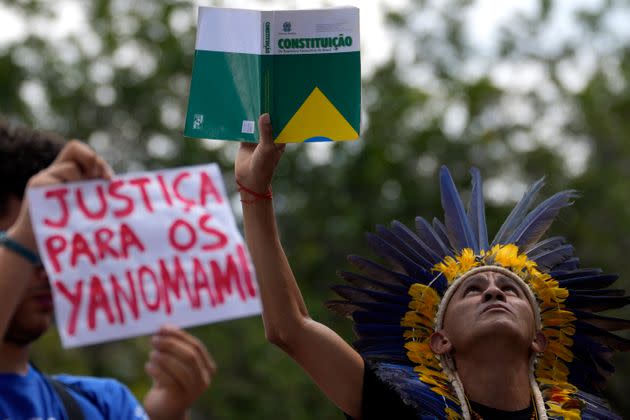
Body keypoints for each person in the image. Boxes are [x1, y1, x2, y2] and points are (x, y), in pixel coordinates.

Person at [235, 114, 630, 419]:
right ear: (439, 340)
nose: (493, 291)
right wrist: (254, 193)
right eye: (471, 290)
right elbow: (290, 328)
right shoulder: (401, 410)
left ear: (539, 340)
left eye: (511, 290)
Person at [0, 119, 216, 420]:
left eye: (55, 246)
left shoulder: (102, 404)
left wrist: (165, 415)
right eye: (29, 245)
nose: (47, 270)